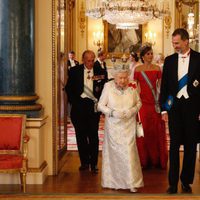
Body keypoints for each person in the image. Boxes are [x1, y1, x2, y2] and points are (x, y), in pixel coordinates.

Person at [160, 28, 200, 194]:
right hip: (174, 108)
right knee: (174, 146)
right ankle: (172, 182)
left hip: (193, 108)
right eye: (173, 43)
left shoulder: (199, 58)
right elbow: (164, 87)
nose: (174, 46)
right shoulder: (169, 61)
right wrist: (164, 109)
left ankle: (186, 181)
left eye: (177, 43)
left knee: (191, 146)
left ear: (186, 41)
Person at [97, 64, 144, 193]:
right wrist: (112, 113)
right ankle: (114, 181)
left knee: (129, 152)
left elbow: (139, 103)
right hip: (113, 126)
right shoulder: (108, 87)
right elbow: (100, 105)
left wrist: (132, 111)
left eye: (125, 77)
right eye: (120, 78)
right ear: (115, 77)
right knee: (115, 155)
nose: (123, 80)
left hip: (128, 125)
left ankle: (132, 183)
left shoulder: (132, 87)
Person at [65, 50, 107, 174]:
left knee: (93, 136)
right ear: (83, 60)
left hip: (93, 108)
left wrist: (100, 104)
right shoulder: (74, 71)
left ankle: (93, 164)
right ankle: (84, 162)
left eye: (92, 60)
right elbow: (69, 89)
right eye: (88, 60)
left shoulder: (101, 71)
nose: (90, 63)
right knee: (81, 136)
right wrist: (74, 102)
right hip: (78, 107)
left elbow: (105, 89)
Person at [134, 44, 168, 170]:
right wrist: (136, 104)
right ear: (142, 56)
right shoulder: (137, 70)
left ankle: (157, 160)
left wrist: (160, 102)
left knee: (155, 131)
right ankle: (144, 159)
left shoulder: (157, 68)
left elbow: (160, 87)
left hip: (155, 104)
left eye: (151, 53)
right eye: (148, 54)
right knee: (144, 131)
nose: (150, 56)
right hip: (143, 105)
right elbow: (135, 88)